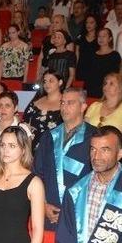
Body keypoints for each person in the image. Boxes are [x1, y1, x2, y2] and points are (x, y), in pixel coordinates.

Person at [34, 88, 96, 229]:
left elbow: (97, 180)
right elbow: (37, 173)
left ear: (83, 107)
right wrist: (43, 204)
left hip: (79, 216)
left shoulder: (94, 138)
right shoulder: (49, 136)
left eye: (70, 103)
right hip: (48, 213)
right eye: (62, 102)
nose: (64, 107)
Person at [85, 73, 122, 149]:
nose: (106, 86)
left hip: (117, 151)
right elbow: (84, 131)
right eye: (105, 83)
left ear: (120, 88)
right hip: (92, 149)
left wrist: (106, 149)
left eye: (111, 84)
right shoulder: (94, 105)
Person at [23, 71, 64, 149]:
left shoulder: (65, 103)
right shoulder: (37, 100)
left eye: (51, 81)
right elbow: (25, 120)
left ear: (60, 82)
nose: (47, 84)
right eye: (45, 81)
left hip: (54, 147)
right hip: (31, 145)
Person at [82, 28, 121, 99]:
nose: (101, 38)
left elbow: (116, 75)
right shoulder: (92, 55)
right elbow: (87, 75)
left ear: (110, 39)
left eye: (104, 36)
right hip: (91, 90)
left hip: (107, 90)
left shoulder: (115, 55)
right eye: (99, 36)